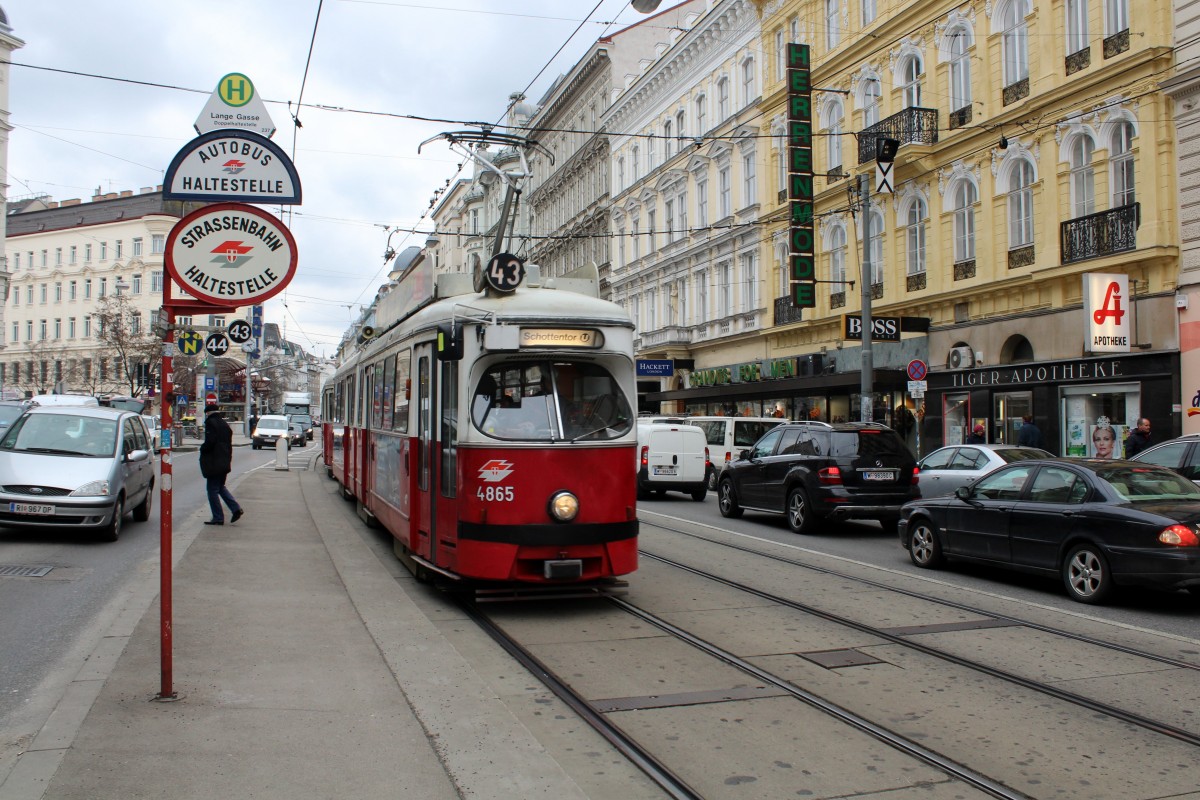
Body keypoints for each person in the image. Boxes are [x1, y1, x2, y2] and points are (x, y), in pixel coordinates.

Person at [200, 402, 243, 526]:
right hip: (224, 460)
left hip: (214, 461)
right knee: (219, 487)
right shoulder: (225, 425)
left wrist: (203, 449)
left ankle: (218, 517)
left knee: (212, 490)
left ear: (208, 413)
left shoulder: (210, 423)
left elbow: (210, 442)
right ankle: (235, 509)